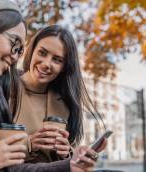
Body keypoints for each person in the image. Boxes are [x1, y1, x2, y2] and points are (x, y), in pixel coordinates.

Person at [0, 0, 106, 172]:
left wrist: (69, 164)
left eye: (20, 50)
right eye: (14, 44)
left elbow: (8, 167)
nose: (15, 58)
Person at [11, 25, 106, 163]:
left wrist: (66, 153)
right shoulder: (4, 88)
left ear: (64, 67)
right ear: (31, 51)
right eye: (42, 53)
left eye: (57, 60)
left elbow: (66, 156)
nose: (46, 64)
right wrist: (29, 144)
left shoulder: (66, 102)